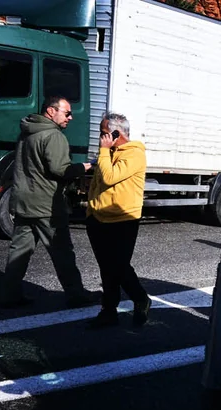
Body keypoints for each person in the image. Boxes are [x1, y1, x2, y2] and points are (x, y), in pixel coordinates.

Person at [0, 97, 98, 309]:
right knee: (62, 251)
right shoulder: (53, 136)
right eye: (67, 113)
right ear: (51, 112)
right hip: (46, 205)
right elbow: (61, 170)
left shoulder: (27, 132)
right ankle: (76, 294)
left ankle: (9, 294)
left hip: (24, 201)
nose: (71, 117)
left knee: (19, 251)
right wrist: (85, 167)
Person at [85, 113, 151, 329]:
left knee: (119, 267)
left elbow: (110, 177)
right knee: (106, 268)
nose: (100, 138)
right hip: (98, 218)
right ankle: (109, 310)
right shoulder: (109, 152)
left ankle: (141, 298)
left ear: (116, 133)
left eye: (103, 133)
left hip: (123, 219)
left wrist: (104, 152)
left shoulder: (134, 154)